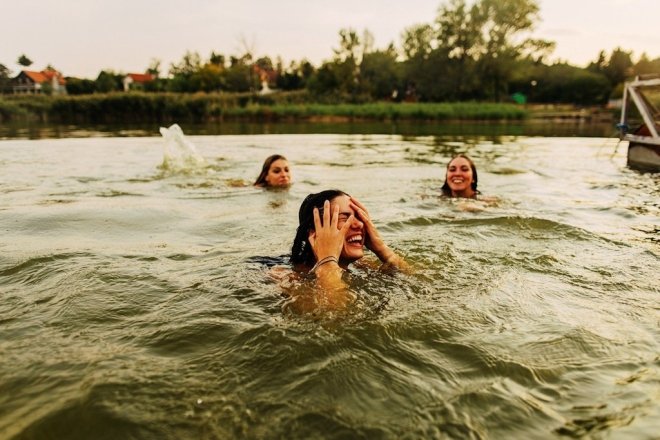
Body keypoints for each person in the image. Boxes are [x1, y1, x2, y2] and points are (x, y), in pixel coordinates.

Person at [286, 189, 408, 310]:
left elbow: (415, 280)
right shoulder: (285, 276)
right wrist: (327, 262)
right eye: (345, 218)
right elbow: (335, 317)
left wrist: (383, 250)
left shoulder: (361, 265)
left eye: (359, 217)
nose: (359, 224)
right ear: (315, 232)